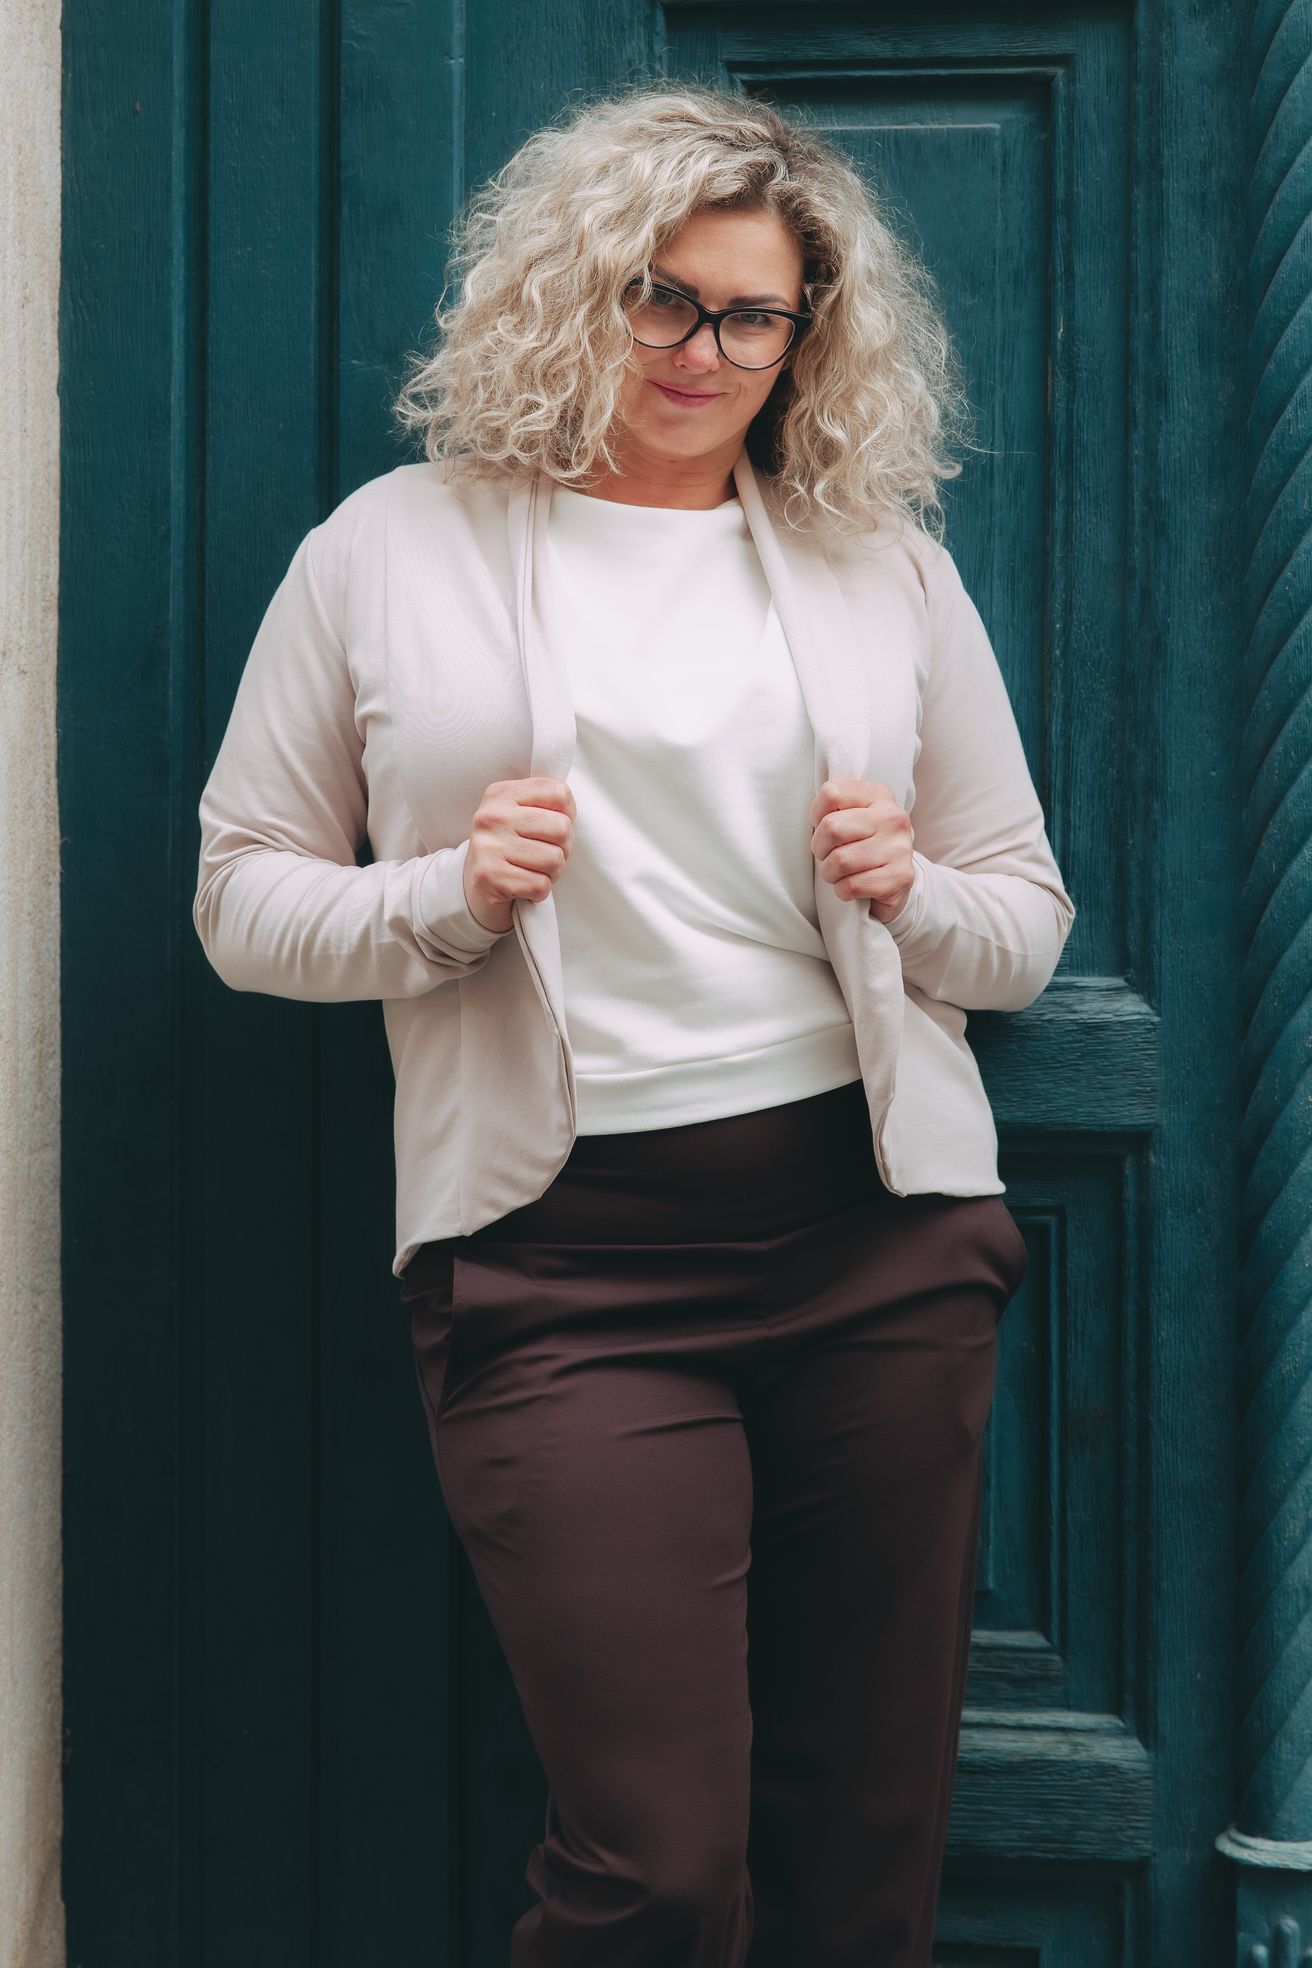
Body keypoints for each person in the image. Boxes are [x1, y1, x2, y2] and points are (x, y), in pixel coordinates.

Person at [193, 79, 1075, 1968]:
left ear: (806, 339)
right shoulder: (389, 548)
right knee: (656, 1868)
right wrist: (448, 896)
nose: (702, 350)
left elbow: (1020, 928)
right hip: (558, 1268)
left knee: (863, 1856)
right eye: (659, 296)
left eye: (754, 316)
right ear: (575, 288)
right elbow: (240, 898)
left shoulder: (880, 567)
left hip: (877, 1244)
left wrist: (912, 893)